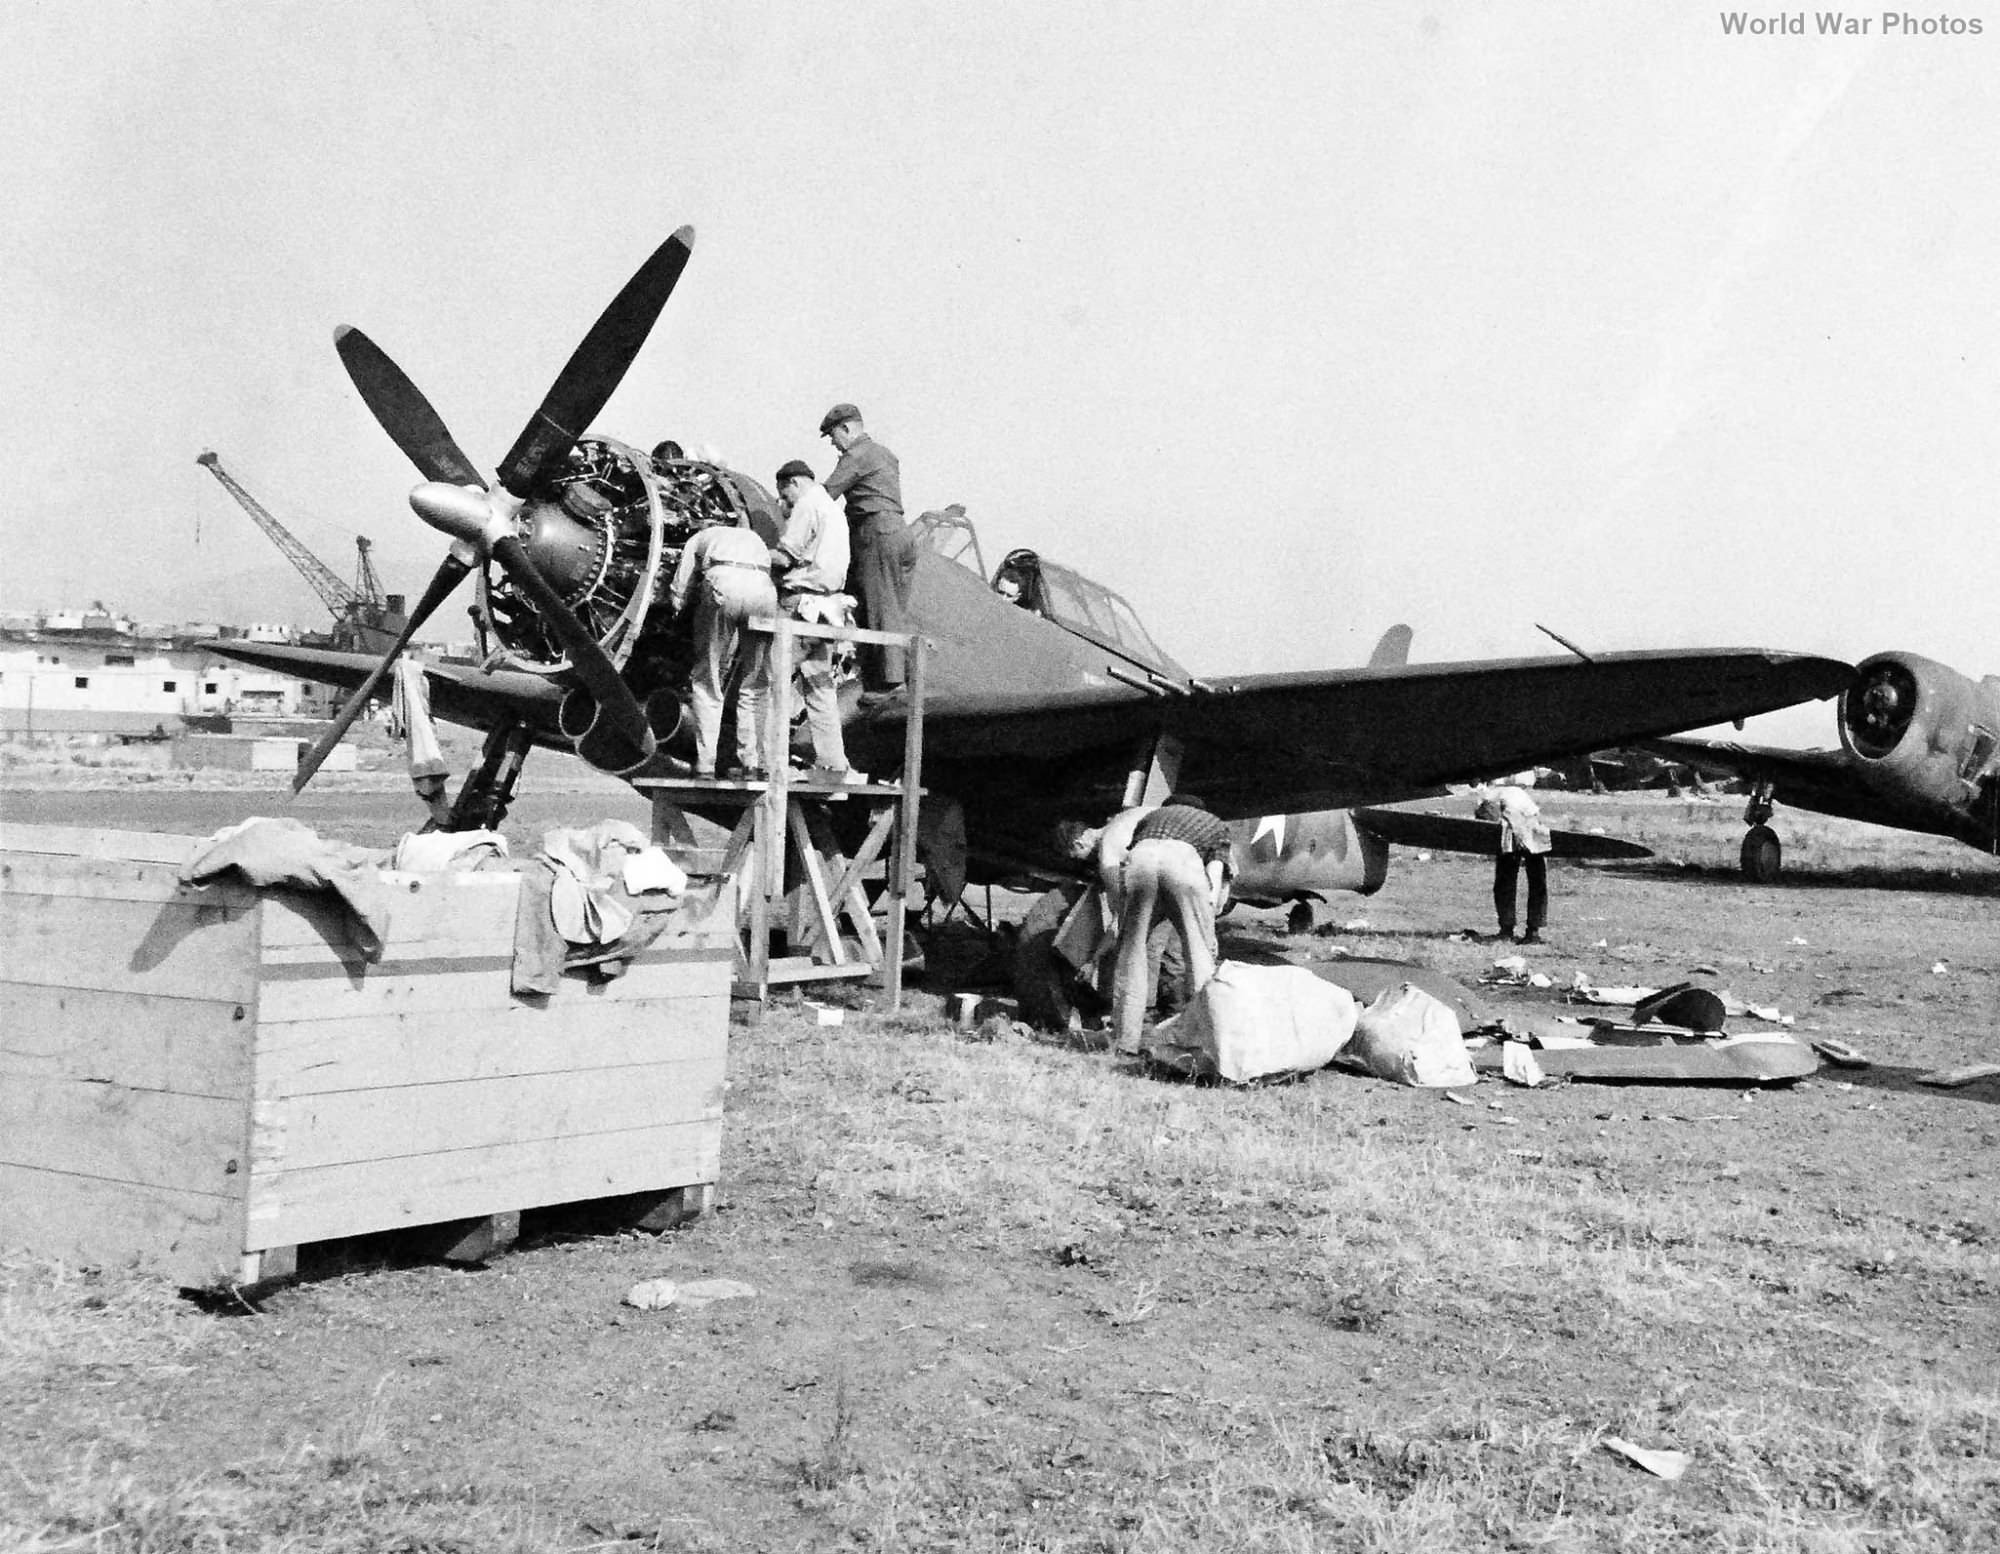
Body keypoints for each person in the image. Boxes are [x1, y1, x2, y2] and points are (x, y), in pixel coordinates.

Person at [1111, 793, 1231, 1057]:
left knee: (1132, 954)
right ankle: (1206, 1040)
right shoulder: (1214, 823)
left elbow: (1130, 856)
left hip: (1140, 861)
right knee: (1198, 956)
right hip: (1183, 863)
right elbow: (1215, 876)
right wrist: (1206, 922)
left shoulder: (1151, 817)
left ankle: (1125, 1042)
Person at [771, 458, 861, 782]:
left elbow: (785, 556)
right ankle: (834, 766)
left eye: (784, 495)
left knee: (772, 681)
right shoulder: (833, 509)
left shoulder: (807, 505)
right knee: (820, 687)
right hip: (828, 610)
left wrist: (752, 554)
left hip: (799, 604)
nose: (784, 503)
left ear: (794, 483)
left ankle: (771, 763)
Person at [669, 518, 776, 780]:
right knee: (756, 682)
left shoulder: (700, 538)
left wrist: (678, 609)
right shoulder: (754, 538)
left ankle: (705, 764)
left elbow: (678, 590)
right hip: (763, 592)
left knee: (708, 679)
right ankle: (752, 763)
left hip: (722, 585)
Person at [819, 403, 910, 691]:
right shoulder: (885, 454)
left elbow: (824, 497)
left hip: (875, 532)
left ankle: (890, 684)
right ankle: (888, 676)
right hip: (899, 533)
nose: (833, 443)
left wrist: (789, 510)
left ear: (847, 429)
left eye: (833, 436)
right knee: (891, 607)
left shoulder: (857, 455)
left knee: (880, 608)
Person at [1475, 779, 1552, 942]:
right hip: (1519, 824)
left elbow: (1515, 819)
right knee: (1507, 880)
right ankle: (1508, 927)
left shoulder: (1495, 799)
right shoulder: (1493, 795)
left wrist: (1521, 842)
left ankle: (1532, 931)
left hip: (1527, 824)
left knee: (1532, 881)